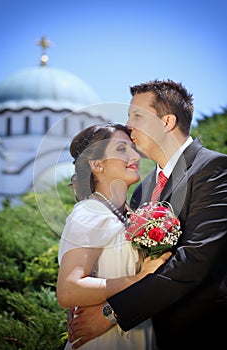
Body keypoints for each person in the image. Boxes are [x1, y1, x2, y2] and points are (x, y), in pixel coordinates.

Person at [68, 80, 227, 350]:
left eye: (137, 116)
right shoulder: (143, 189)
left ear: (167, 122)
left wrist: (112, 313)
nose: (128, 125)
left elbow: (193, 260)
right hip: (147, 335)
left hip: (199, 332)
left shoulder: (213, 169)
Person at [57, 122, 171, 350]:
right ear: (97, 164)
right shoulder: (90, 212)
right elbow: (69, 290)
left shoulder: (130, 215)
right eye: (121, 149)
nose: (134, 155)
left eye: (132, 147)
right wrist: (139, 279)